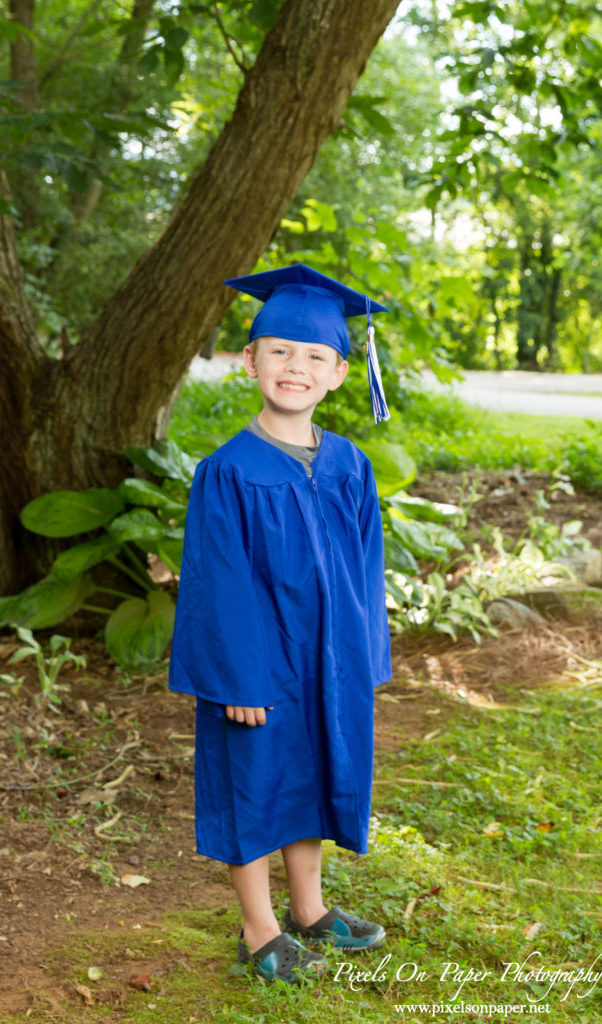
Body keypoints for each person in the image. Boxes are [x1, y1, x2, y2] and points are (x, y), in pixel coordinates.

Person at [168, 264, 393, 983]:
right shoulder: (228, 471)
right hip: (257, 668)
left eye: (314, 357)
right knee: (254, 783)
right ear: (250, 361)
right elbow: (216, 585)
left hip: (328, 662)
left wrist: (363, 659)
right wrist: (238, 677)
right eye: (280, 351)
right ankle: (257, 927)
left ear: (336, 374)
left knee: (316, 773)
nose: (295, 366)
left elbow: (365, 571)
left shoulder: (351, 466)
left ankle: (309, 909)